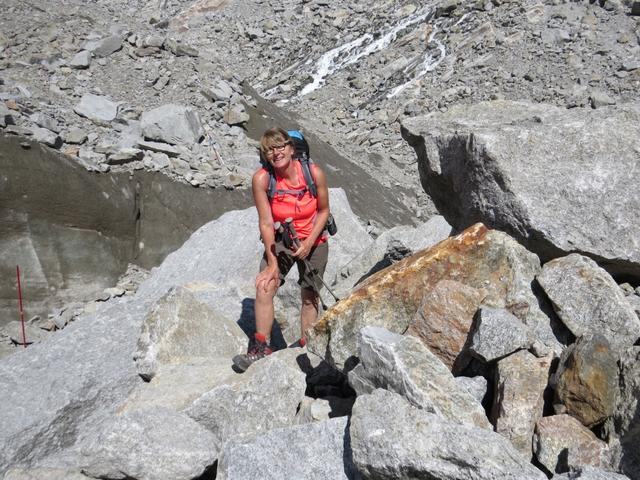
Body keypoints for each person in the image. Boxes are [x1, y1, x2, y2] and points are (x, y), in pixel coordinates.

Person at [233, 127, 330, 372]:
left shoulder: (314, 173)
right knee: (265, 285)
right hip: (283, 240)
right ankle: (261, 347)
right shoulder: (263, 180)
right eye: (269, 150)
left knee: (309, 296)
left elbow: (323, 211)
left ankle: (307, 347)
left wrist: (308, 244)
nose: (276, 153)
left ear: (290, 148)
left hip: (314, 241)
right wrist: (273, 263)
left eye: (280, 147)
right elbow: (266, 222)